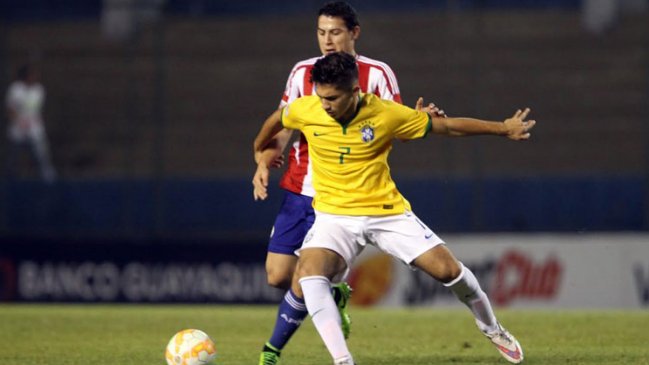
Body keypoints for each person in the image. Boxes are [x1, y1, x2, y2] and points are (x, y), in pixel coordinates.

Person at [253, 52, 534, 365]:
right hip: (334, 216)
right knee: (309, 274)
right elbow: (278, 118)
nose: (325, 105)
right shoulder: (308, 108)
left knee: (450, 272)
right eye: (320, 97)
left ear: (354, 91)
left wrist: (502, 128)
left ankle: (491, 327)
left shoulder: (385, 113)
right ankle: (343, 361)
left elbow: (448, 127)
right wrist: (258, 150)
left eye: (332, 98)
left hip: (385, 212)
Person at [252, 3, 444, 364]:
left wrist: (422, 121)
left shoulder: (378, 74)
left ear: (354, 32)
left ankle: (273, 352)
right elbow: (283, 129)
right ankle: (333, 294)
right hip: (300, 187)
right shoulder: (301, 73)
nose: (327, 40)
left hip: (345, 198)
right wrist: (263, 162)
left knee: (308, 277)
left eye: (335, 32)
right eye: (321, 32)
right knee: (278, 276)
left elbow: (396, 128)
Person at [5, 63, 56, 182]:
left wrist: (32, 123)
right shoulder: (15, 89)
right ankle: (10, 178)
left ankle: (47, 178)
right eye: (32, 75)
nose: (34, 77)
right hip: (18, 127)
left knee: (41, 153)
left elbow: (36, 109)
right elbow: (10, 109)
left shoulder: (39, 90)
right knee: (13, 154)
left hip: (34, 127)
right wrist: (18, 121)